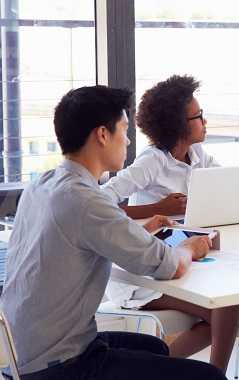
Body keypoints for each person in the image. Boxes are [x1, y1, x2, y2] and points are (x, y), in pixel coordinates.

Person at [0, 86, 226, 380]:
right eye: (124, 130)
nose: (129, 140)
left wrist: (143, 229)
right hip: (61, 365)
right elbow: (170, 265)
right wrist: (191, 247)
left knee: (155, 347)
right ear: (102, 135)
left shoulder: (44, 184)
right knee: (209, 377)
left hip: (22, 353)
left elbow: (84, 236)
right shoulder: (86, 200)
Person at [101, 75, 239, 372]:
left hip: (184, 257)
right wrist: (158, 208)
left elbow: (231, 185)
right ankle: (212, 376)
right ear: (179, 124)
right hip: (144, 272)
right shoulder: (152, 162)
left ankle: (171, 372)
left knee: (229, 306)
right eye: (199, 116)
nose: (205, 121)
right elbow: (101, 203)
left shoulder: (198, 156)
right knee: (227, 309)